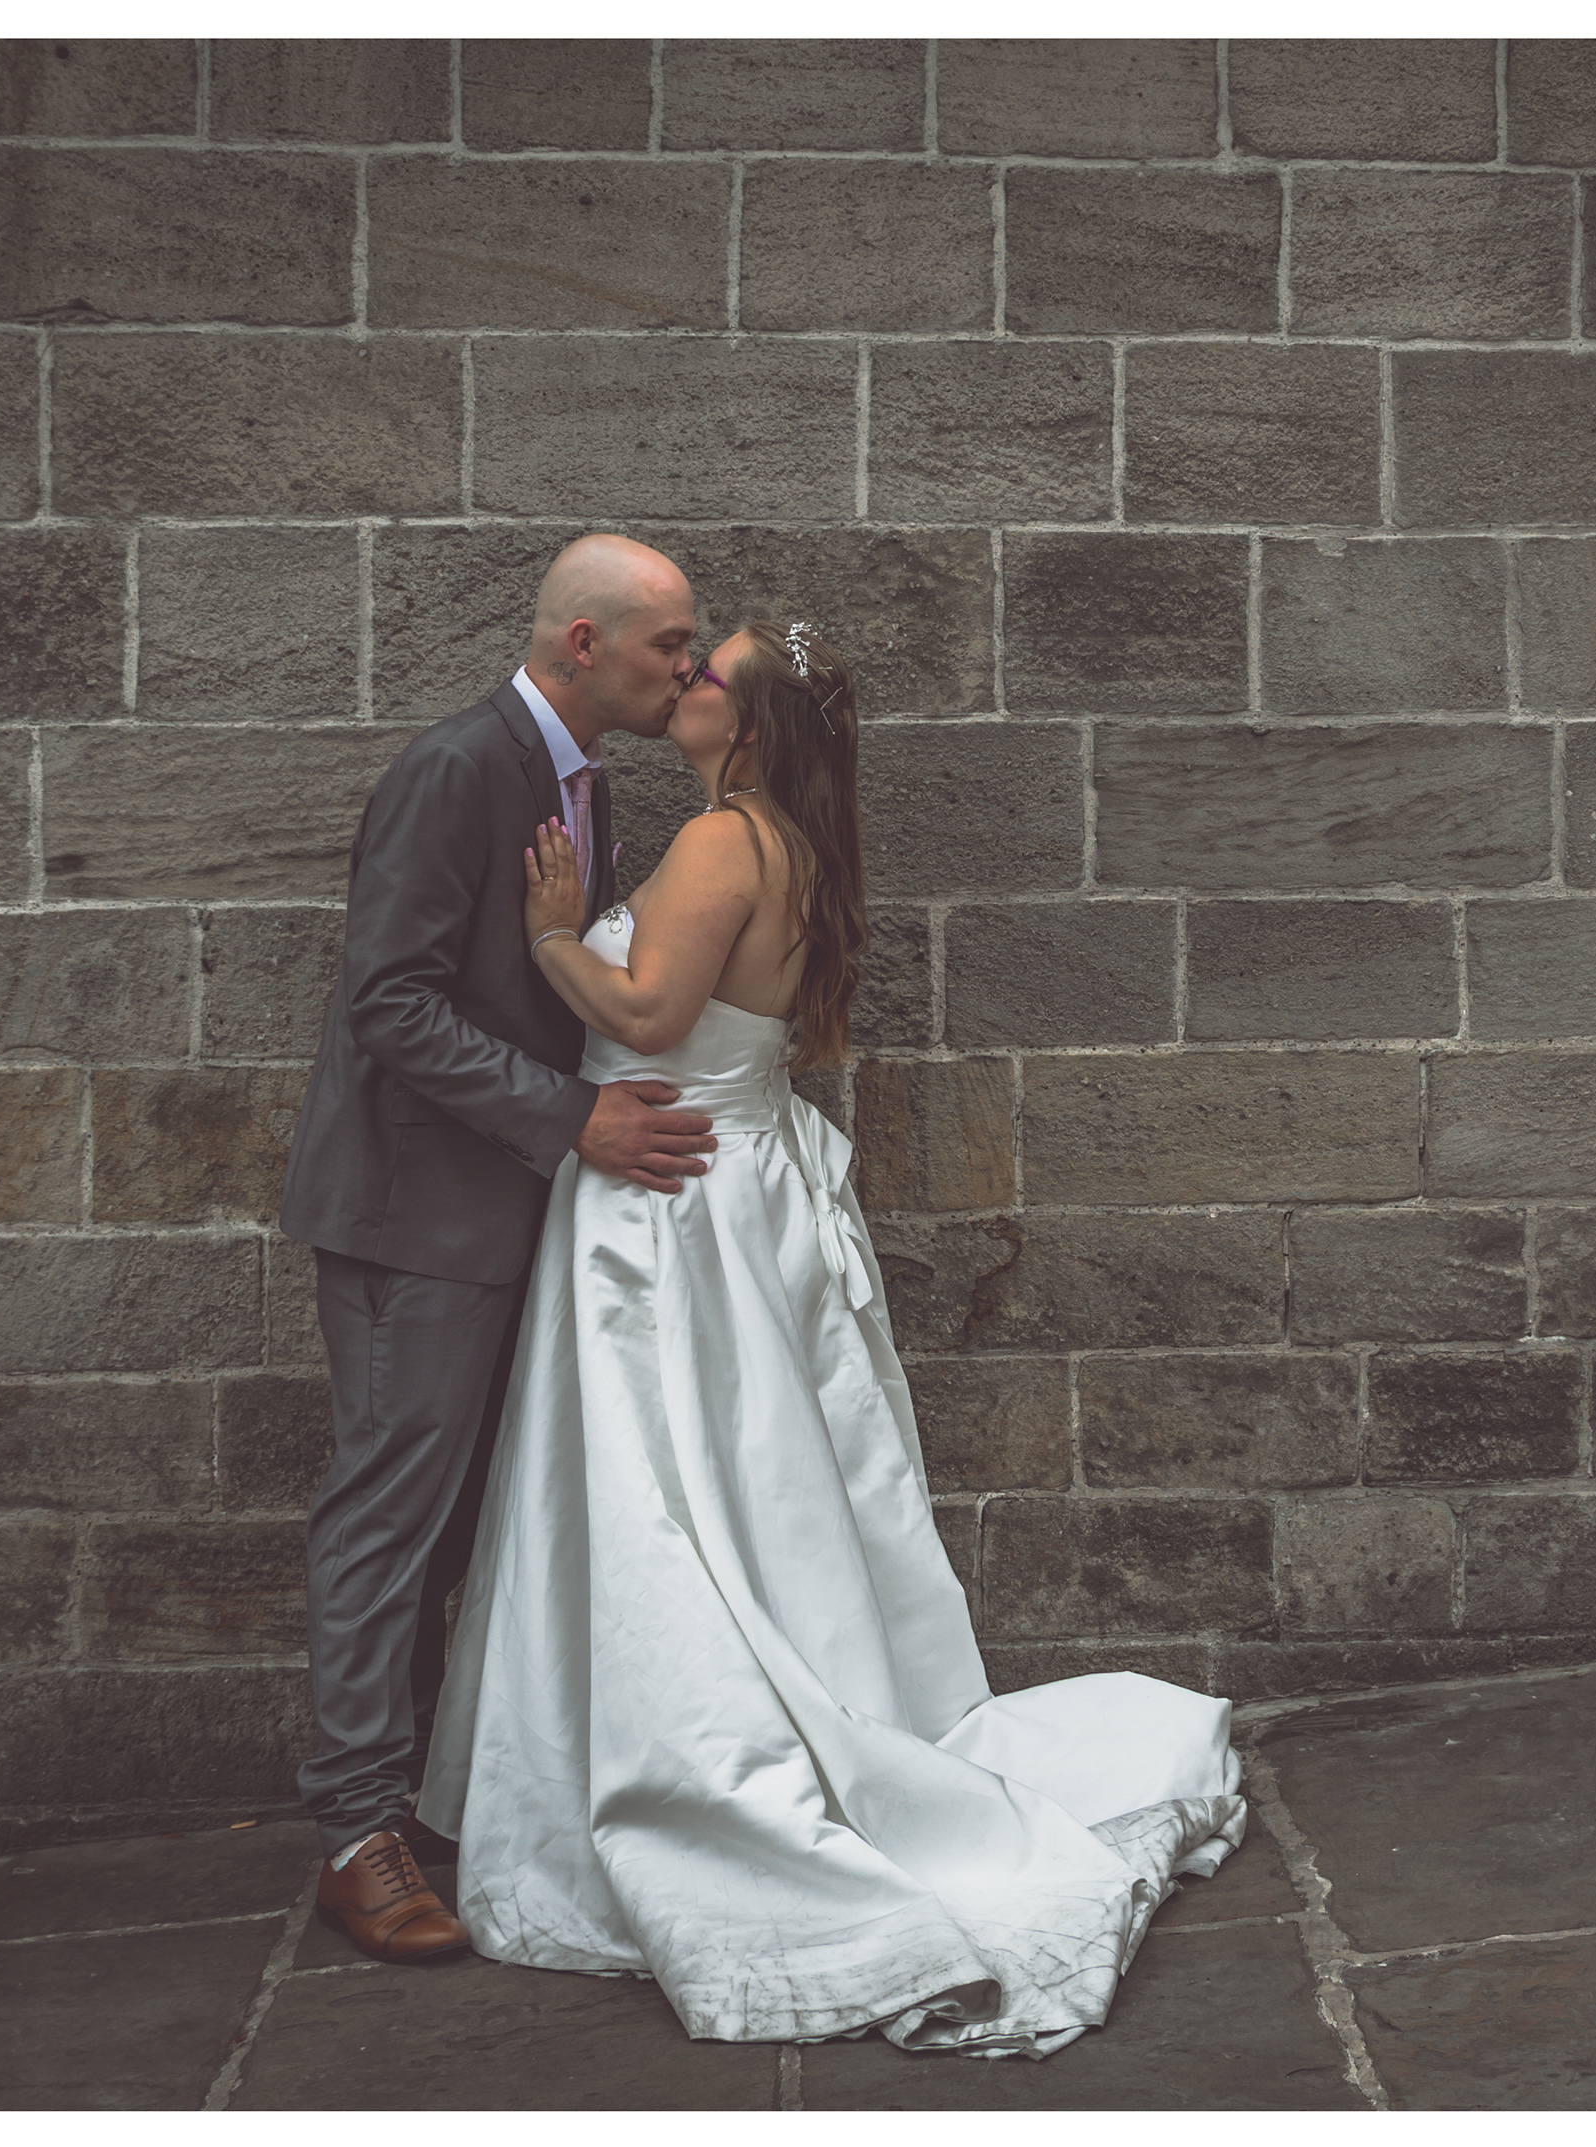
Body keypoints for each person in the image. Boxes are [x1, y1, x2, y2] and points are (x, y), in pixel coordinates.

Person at [415, 621, 1246, 2056]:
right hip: (738, 1188)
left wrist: (551, 934)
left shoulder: (724, 842)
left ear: (750, 723)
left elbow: (649, 1015)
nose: (687, 679)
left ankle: (695, 1763)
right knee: (751, 1485)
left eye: (710, 674)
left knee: (668, 1491)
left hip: (668, 1205)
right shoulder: (790, 843)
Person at [277, 535, 723, 1964]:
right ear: (585, 645)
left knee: (455, 1524)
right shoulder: (459, 769)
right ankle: (354, 1834)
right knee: (390, 1516)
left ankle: (407, 1801)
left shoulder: (580, 781)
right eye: (669, 643)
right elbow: (389, 1005)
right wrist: (573, 1119)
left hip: (502, 1212)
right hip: (415, 1216)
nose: (689, 669)